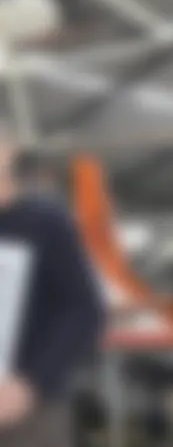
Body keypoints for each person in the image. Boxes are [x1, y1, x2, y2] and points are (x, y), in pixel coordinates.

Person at [0, 133, 107, 442]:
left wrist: (30, 384)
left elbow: (84, 310)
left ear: (9, 152)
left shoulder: (45, 223)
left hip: (31, 409)